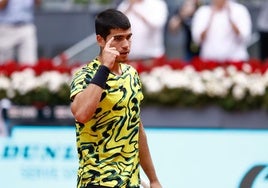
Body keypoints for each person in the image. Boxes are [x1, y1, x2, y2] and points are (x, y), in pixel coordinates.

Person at [70, 9, 162, 188]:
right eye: (118, 39)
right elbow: (81, 114)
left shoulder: (131, 74)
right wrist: (104, 67)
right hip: (97, 181)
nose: (126, 45)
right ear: (100, 40)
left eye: (129, 37)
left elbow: (136, 129)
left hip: (131, 182)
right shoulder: (85, 75)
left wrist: (153, 179)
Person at [0, 0, 41, 65]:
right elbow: (1, 6)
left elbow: (38, 3)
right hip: (6, 26)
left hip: (26, 26)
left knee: (29, 64)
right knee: (4, 64)